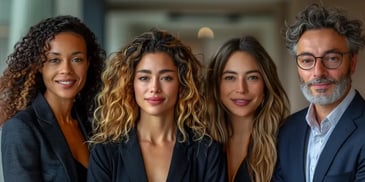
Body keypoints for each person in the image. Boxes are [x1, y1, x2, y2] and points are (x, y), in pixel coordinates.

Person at [87, 28, 226, 182]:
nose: (154, 88)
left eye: (166, 78)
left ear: (182, 84)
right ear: (129, 84)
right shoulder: (106, 152)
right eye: (144, 78)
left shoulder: (206, 151)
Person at [0, 15, 105, 181]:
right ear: (39, 66)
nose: (66, 70)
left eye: (77, 59)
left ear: (88, 64)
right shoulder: (21, 128)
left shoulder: (91, 125)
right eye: (54, 60)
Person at [273, 3, 365, 182]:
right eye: (307, 60)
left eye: (331, 59)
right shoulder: (286, 131)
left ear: (352, 63)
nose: (318, 72)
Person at [205, 36, 290, 182]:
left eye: (252, 77)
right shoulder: (198, 141)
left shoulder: (285, 142)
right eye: (230, 77)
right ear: (216, 85)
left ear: (266, 84)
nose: (241, 89)